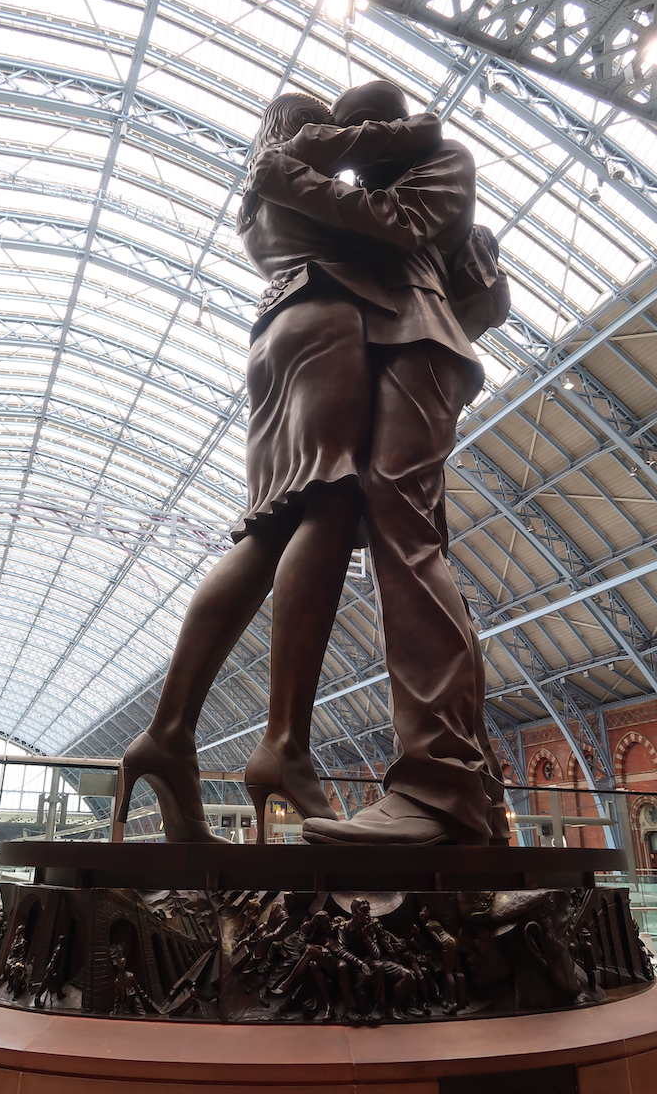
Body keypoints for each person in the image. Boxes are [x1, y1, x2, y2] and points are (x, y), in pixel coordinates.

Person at [114, 92, 445, 843]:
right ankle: (284, 744)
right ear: (309, 133)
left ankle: (169, 734)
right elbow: (391, 225)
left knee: (266, 531)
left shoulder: (257, 203)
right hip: (328, 324)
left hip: (272, 339)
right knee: (330, 502)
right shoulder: (296, 169)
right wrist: (398, 132)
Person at [249, 79, 508, 845]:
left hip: (421, 344)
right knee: (407, 534)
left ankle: (440, 787)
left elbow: (395, 225)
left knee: (406, 532)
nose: (355, 155)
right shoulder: (367, 190)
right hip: (390, 345)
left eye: (363, 135)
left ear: (388, 129)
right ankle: (465, 774)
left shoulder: (442, 163)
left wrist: (311, 157)